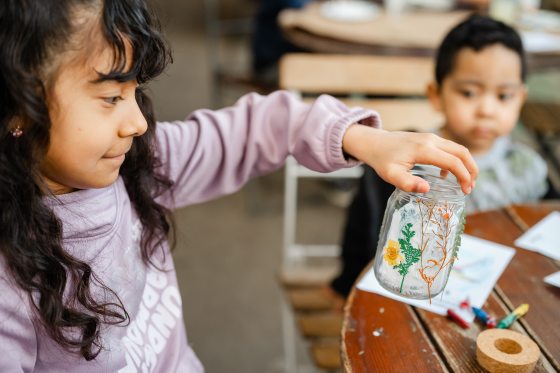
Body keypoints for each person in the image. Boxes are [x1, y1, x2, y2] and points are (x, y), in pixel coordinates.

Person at [0, 1, 477, 371]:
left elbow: (258, 127)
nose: (138, 122)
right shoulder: (9, 290)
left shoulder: (133, 165)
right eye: (109, 98)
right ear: (20, 105)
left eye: (134, 94)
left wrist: (365, 138)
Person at [329, 14, 558, 300]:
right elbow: (363, 232)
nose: (486, 109)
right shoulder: (405, 163)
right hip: (409, 294)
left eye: (503, 96)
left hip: (506, 294)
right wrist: (345, 287)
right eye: (469, 92)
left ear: (521, 99)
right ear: (436, 94)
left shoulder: (528, 168)